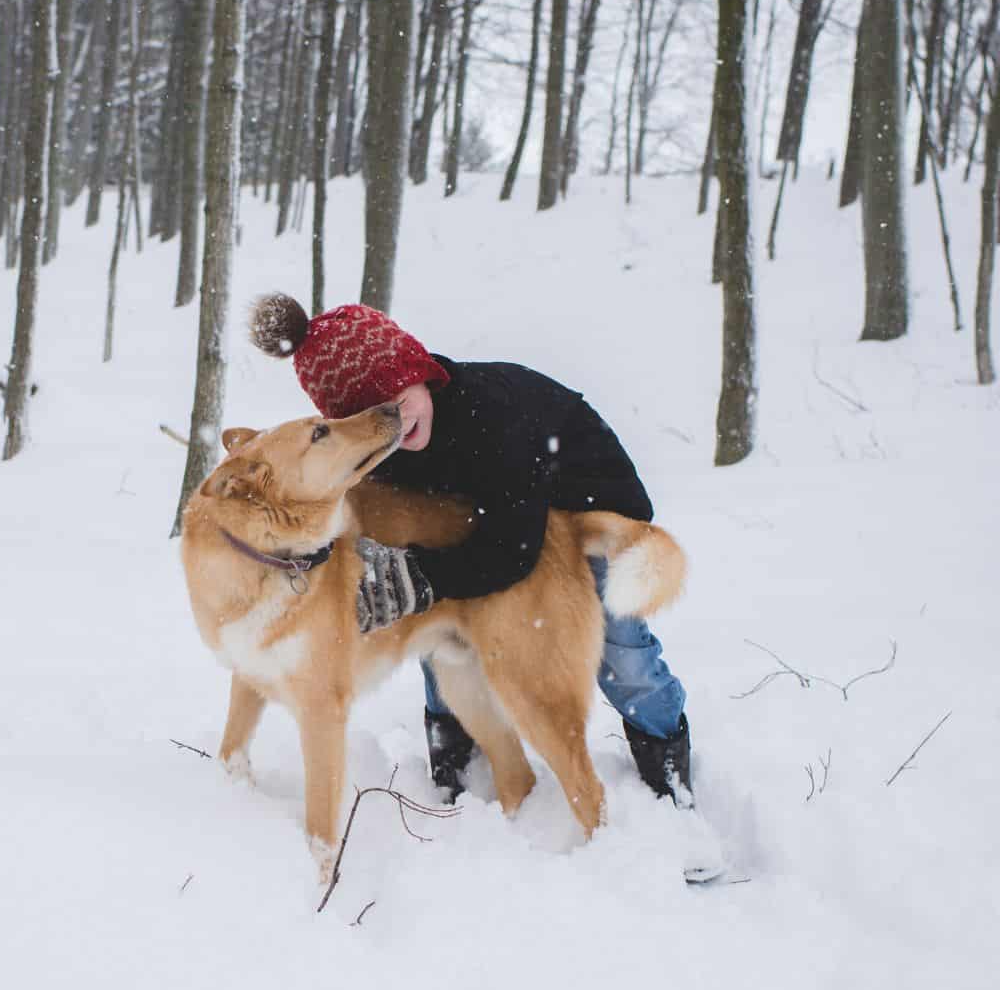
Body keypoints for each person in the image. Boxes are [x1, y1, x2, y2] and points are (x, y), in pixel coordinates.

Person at [249, 293, 694, 809]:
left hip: (584, 507)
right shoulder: (392, 446)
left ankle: (666, 758)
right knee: (440, 628)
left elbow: (513, 550)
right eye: (376, 417)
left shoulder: (492, 416)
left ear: (417, 369)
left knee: (622, 650)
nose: (397, 421)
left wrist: (425, 576)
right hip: (504, 519)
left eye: (395, 397)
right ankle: (454, 744)